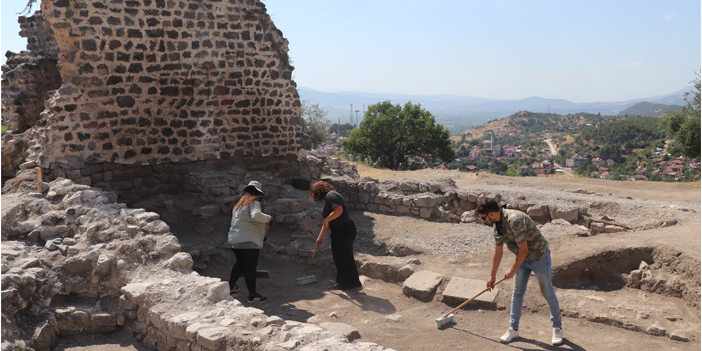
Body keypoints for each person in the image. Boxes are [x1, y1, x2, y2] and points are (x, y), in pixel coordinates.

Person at [477, 198, 563, 346]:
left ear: (490, 214)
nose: (484, 221)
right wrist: (492, 275)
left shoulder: (514, 219)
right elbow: (498, 252)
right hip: (522, 259)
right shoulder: (497, 225)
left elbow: (524, 250)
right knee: (517, 293)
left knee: (547, 291)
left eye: (484, 218)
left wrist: (512, 269)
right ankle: (513, 328)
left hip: (538, 256)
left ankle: (557, 327)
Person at [310, 180, 362, 293]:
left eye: (315, 194)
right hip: (338, 231)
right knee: (338, 258)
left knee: (346, 257)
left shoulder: (332, 195)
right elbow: (326, 223)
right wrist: (320, 238)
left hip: (345, 229)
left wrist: (327, 219)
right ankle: (342, 284)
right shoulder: (329, 198)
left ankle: (354, 285)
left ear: (319, 191)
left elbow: (338, 211)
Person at [226, 180, 271, 303]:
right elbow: (256, 216)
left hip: (235, 240)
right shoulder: (254, 202)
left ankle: (230, 286)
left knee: (240, 264)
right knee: (250, 267)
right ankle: (252, 295)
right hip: (249, 240)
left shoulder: (238, 204)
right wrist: (268, 218)